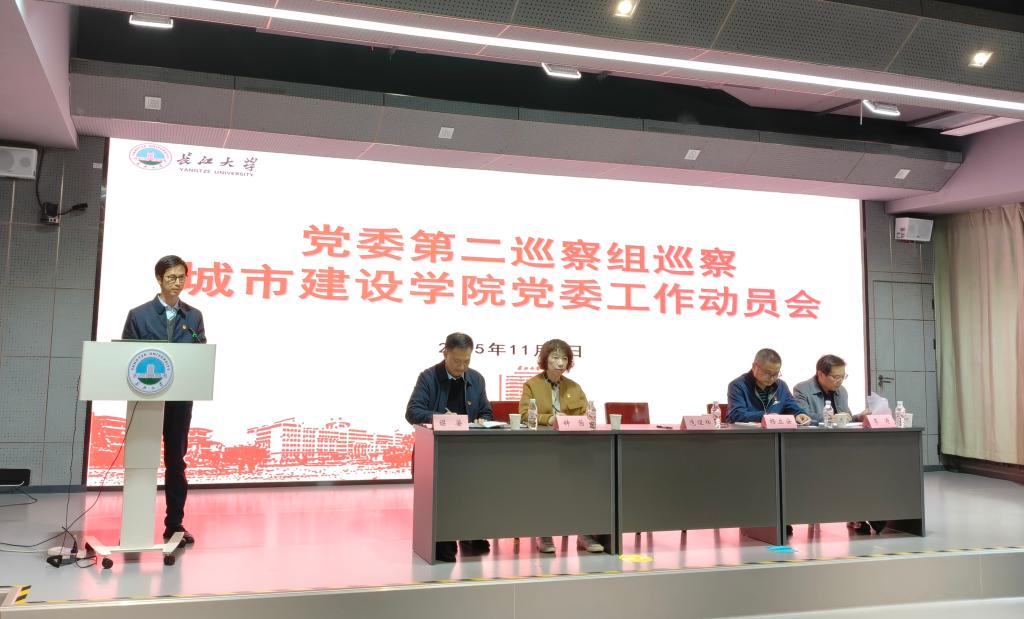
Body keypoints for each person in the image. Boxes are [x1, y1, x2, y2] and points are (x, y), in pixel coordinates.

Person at [122, 255, 206, 547]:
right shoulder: (139, 315)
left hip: (179, 400)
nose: (177, 283)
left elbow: (200, 355)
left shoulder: (193, 316)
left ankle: (174, 525)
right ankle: (135, 525)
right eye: (171, 277)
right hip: (145, 400)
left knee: (176, 462)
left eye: (182, 277)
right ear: (159, 279)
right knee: (140, 461)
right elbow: (126, 358)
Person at [405, 332, 494, 562]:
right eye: (457, 361)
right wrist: (443, 418)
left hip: (468, 450)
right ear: (445, 353)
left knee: (478, 487)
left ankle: (470, 531)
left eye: (467, 361)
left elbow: (486, 411)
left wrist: (483, 420)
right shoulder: (428, 377)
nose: (462, 367)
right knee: (443, 493)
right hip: (436, 450)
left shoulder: (476, 379)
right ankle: (443, 537)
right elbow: (413, 412)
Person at [518, 339, 604, 555]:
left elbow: (586, 415)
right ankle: (544, 533)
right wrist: (549, 419)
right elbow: (524, 415)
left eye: (565, 358)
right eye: (555, 357)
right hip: (543, 449)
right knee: (544, 486)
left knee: (584, 484)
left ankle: (584, 534)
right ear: (545, 360)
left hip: (573, 448)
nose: (560, 363)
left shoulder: (574, 387)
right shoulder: (532, 385)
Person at [794, 355, 884, 534]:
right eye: (836, 377)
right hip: (813, 446)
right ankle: (859, 515)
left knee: (865, 466)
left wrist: (859, 417)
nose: (840, 381)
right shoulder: (801, 389)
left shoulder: (841, 391)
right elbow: (802, 417)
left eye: (843, 377)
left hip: (840, 445)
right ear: (820, 374)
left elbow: (845, 418)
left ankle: (864, 513)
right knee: (845, 470)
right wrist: (828, 418)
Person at [726, 348, 810, 425]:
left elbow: (792, 407)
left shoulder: (781, 386)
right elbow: (736, 415)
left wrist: (800, 414)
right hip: (747, 434)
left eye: (776, 374)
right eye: (767, 373)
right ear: (754, 366)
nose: (772, 378)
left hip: (775, 433)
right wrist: (765, 416)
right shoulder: (737, 385)